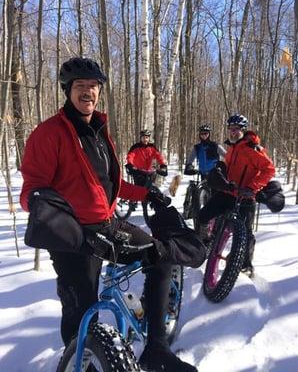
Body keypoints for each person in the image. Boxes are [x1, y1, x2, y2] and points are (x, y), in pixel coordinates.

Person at [20, 57, 201, 372]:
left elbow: (107, 186)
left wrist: (146, 193)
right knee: (81, 308)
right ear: (67, 90)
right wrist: (46, 208)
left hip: (107, 224)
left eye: (93, 86)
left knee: (161, 255)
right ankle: (81, 361)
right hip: (71, 235)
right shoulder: (49, 133)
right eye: (80, 86)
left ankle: (157, 348)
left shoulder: (99, 130)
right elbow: (32, 190)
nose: (88, 92)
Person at [197, 113, 275, 275]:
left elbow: (269, 169)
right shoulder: (232, 148)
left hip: (245, 196)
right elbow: (227, 165)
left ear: (243, 130)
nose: (232, 132)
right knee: (204, 215)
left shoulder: (252, 149)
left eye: (236, 129)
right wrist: (220, 171)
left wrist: (253, 187)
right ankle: (205, 242)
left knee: (245, 232)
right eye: (230, 129)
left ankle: (245, 264)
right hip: (228, 192)